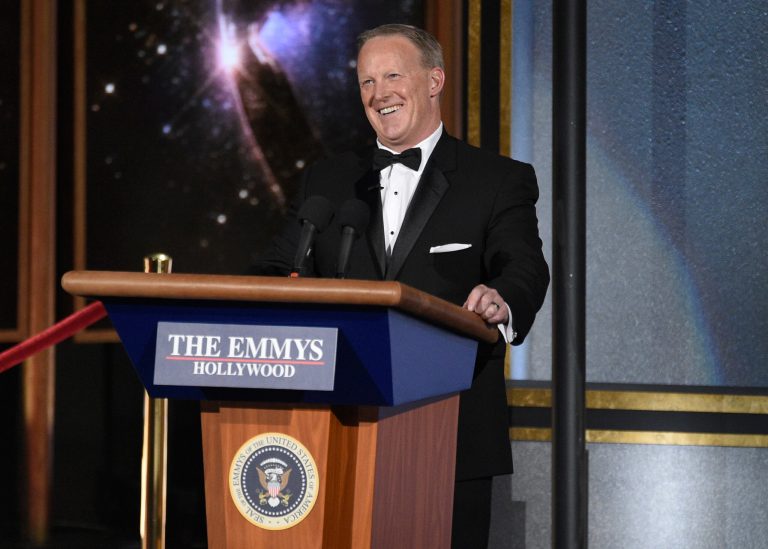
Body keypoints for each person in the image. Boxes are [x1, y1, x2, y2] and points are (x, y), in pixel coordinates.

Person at [255, 23, 549, 548]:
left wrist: (503, 298)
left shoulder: (497, 179)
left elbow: (523, 266)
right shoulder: (327, 181)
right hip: (332, 428)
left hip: (451, 430)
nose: (378, 93)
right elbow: (278, 268)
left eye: (392, 75)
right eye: (366, 82)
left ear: (434, 79)